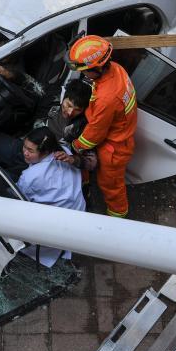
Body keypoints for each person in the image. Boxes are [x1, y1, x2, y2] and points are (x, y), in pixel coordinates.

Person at [66, 35, 137, 218]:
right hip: (117, 134)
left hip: (114, 148)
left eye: (85, 70)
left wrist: (76, 145)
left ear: (97, 68)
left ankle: (117, 218)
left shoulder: (107, 97)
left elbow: (95, 134)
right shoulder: (116, 69)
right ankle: (86, 182)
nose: (83, 75)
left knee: (111, 186)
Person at [16, 127, 86, 266]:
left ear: (46, 152)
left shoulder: (29, 178)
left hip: (56, 227)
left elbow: (18, 198)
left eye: (30, 151)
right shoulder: (65, 152)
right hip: (79, 211)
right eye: (24, 147)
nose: (25, 152)